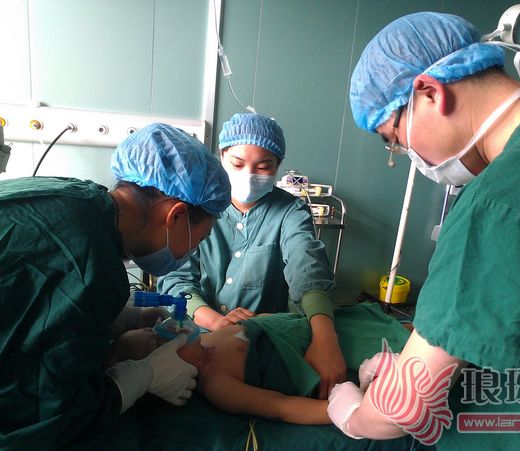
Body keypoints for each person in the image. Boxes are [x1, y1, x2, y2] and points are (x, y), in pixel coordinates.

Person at [327, 11, 520, 450]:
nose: (406, 153)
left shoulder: (507, 197)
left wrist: (352, 414)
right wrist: (426, 358)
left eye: (394, 139)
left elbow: (403, 411)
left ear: (430, 93)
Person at [0, 123, 231, 449]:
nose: (191, 253)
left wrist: (115, 319)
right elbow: (43, 420)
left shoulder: (76, 194)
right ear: (176, 216)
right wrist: (141, 377)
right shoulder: (92, 264)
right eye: (198, 241)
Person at [159, 113, 346, 399]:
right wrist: (215, 321)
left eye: (263, 167)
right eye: (237, 164)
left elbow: (307, 268)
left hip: (265, 336)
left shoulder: (290, 212)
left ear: (278, 166)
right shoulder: (200, 208)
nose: (248, 174)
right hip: (199, 334)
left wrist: (325, 338)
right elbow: (177, 280)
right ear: (221, 156)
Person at [104, 302, 411, 425]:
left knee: (383, 328)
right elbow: (281, 406)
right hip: (307, 361)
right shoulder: (217, 385)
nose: (165, 332)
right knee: (395, 354)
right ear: (161, 381)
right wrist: (347, 415)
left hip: (302, 330)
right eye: (156, 344)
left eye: (151, 329)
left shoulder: (207, 339)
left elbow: (252, 328)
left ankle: (408, 333)